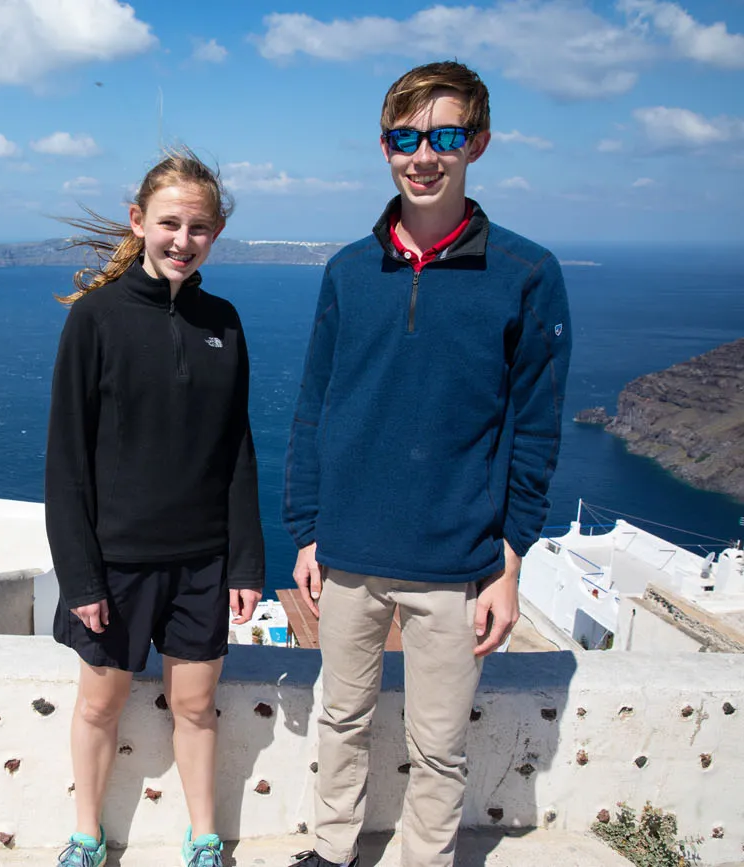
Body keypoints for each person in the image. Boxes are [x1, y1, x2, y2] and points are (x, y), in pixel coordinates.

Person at [282, 61, 571, 867]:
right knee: (340, 717)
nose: (423, 155)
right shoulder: (347, 270)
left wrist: (509, 559)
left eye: (444, 136)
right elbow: (315, 407)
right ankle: (331, 852)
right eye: (406, 137)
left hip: (455, 559)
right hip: (347, 552)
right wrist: (307, 532)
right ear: (384, 147)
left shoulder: (526, 274)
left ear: (477, 141)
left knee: (438, 744)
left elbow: (535, 429)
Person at [45, 148, 265, 867]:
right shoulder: (96, 320)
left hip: (201, 564)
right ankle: (87, 833)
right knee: (99, 705)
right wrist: (81, 579)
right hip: (116, 566)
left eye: (199, 227)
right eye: (169, 223)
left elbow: (236, 448)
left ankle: (203, 836)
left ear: (216, 232)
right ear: (139, 222)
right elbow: (66, 461)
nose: (182, 239)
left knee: (197, 707)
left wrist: (245, 561)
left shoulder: (224, 323)